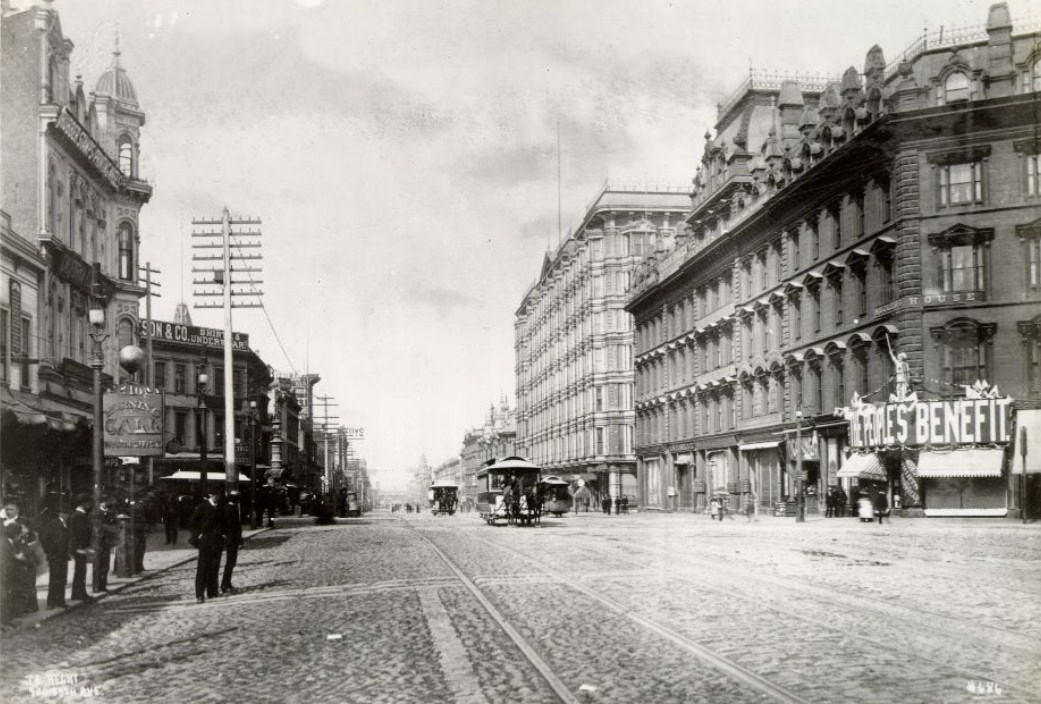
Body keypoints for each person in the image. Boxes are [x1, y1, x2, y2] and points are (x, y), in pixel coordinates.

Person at [187, 490, 225, 603]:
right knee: (203, 568)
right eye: (215, 495)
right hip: (206, 540)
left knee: (214, 566)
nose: (217, 497)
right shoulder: (203, 507)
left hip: (217, 540)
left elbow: (224, 523)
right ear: (210, 495)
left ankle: (212, 591)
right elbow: (191, 522)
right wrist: (198, 535)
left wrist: (223, 534)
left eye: (218, 495)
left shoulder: (220, 507)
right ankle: (199, 594)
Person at [38, 503, 71, 609]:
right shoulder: (52, 524)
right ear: (60, 514)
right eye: (65, 513)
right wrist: (50, 552)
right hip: (55, 556)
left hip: (63, 556)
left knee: (62, 579)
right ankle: (51, 602)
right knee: (54, 579)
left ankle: (60, 601)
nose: (67, 515)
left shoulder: (66, 524)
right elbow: (44, 539)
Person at [68, 496, 92, 602]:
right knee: (81, 570)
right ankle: (80, 593)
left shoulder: (77, 515)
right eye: (87, 502)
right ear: (83, 503)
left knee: (80, 570)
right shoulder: (79, 516)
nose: (89, 505)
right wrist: (82, 547)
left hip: (80, 547)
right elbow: (80, 533)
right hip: (80, 547)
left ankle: (77, 593)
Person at [221, 492, 243, 594]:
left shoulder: (228, 508)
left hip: (232, 539)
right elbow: (234, 527)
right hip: (231, 540)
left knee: (231, 562)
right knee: (230, 562)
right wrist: (239, 540)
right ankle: (225, 584)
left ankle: (227, 583)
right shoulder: (230, 509)